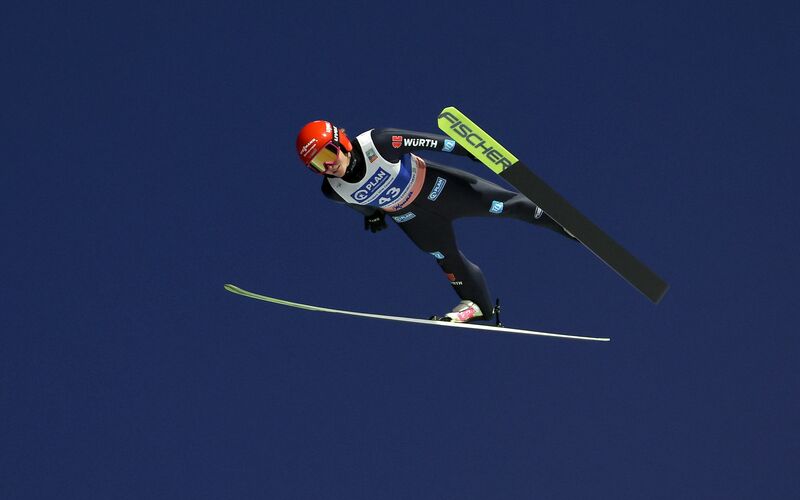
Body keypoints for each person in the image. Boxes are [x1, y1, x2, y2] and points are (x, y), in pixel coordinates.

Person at [295, 120, 575, 323]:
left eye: (327, 154)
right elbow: (357, 203)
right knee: (445, 257)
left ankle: (566, 224)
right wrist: (374, 215)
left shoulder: (378, 143)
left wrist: (469, 151)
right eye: (317, 164)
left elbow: (433, 142)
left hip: (441, 189)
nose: (328, 166)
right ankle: (477, 306)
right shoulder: (332, 190)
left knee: (506, 206)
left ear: (340, 142)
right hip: (412, 218)